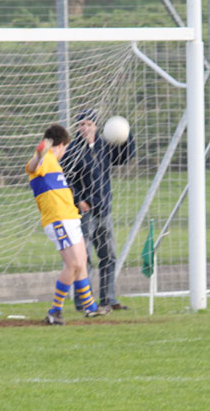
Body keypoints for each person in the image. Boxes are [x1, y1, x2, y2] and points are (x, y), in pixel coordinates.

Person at [26, 124, 110, 325]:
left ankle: (90, 307)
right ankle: (55, 311)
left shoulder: (55, 164)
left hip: (70, 218)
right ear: (62, 145)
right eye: (65, 148)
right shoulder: (45, 160)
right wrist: (39, 155)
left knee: (81, 261)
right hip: (58, 220)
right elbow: (32, 166)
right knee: (73, 264)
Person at [61, 109, 136, 311]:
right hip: (84, 212)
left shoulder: (104, 145)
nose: (84, 128)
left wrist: (126, 135)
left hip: (104, 210)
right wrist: (78, 200)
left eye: (88, 124)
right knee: (83, 258)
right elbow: (66, 178)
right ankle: (83, 301)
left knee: (108, 256)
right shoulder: (73, 150)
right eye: (81, 124)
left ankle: (108, 298)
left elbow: (124, 157)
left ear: (96, 126)